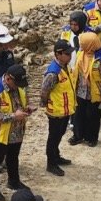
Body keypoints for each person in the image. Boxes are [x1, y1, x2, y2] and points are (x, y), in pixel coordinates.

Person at [0, 64, 31, 201]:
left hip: (16, 130)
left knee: (13, 156)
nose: (19, 87)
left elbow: (19, 102)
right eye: (17, 83)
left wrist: (26, 109)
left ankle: (14, 181)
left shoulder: (18, 86)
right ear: (9, 79)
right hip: (0, 133)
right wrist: (14, 116)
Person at [39, 41, 76, 175]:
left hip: (65, 110)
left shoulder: (65, 66)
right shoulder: (53, 73)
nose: (70, 56)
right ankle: (51, 163)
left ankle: (56, 156)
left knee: (59, 134)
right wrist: (46, 104)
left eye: (70, 53)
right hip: (56, 111)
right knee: (53, 137)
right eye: (67, 54)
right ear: (58, 54)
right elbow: (44, 91)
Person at [67, 31, 101, 148]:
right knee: (78, 115)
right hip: (80, 91)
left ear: (90, 44)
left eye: (82, 43)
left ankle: (92, 138)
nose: (80, 45)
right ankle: (78, 136)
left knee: (93, 116)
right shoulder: (81, 53)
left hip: (94, 94)